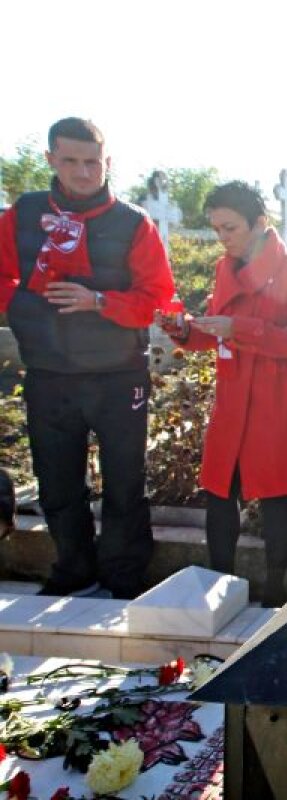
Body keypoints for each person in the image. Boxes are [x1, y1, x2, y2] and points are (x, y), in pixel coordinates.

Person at [0, 117, 176, 599]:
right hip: (49, 374)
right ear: (51, 159)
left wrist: (99, 302)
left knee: (125, 483)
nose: (83, 172)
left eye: (93, 162)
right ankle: (72, 568)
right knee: (57, 482)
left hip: (118, 375)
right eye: (72, 161)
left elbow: (158, 296)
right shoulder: (23, 214)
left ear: (108, 163)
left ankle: (122, 577)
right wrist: (22, 305)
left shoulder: (133, 223)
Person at [163, 181, 287, 606]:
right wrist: (185, 331)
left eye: (230, 228)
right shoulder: (225, 269)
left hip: (278, 399)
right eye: (217, 228)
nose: (223, 238)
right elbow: (219, 333)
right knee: (220, 492)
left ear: (260, 223)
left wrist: (241, 329)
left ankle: (275, 591)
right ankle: (220, 589)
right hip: (235, 395)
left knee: (275, 495)